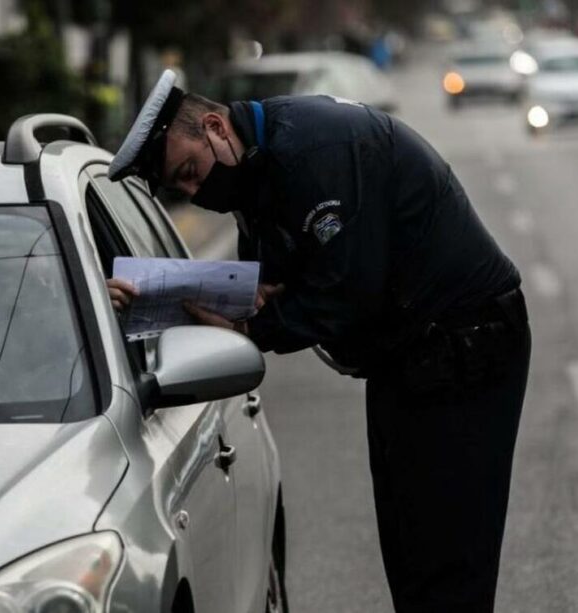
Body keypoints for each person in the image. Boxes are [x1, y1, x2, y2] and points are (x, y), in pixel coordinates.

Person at [106, 70, 531, 613]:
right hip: (410, 359)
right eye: (180, 188)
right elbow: (275, 280)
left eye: (190, 172)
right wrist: (138, 299)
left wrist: (251, 330)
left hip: (467, 348)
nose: (195, 192)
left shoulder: (314, 150)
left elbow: (346, 291)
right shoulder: (255, 169)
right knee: (410, 553)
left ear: (215, 126)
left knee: (447, 560)